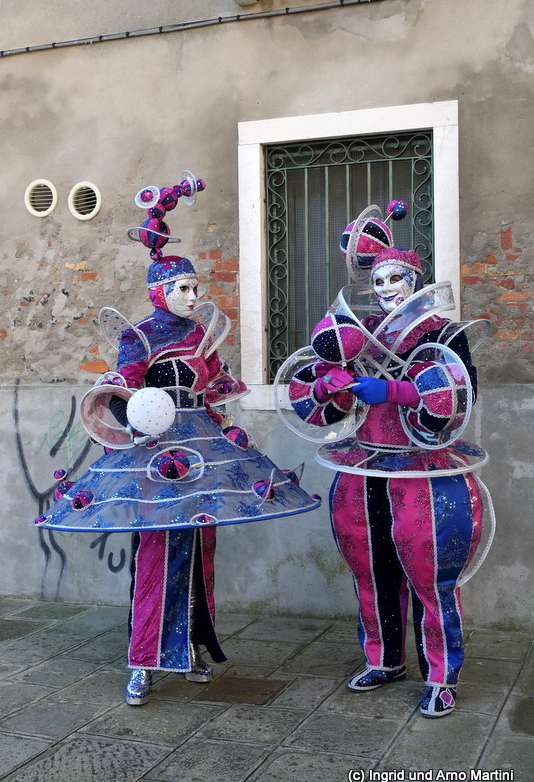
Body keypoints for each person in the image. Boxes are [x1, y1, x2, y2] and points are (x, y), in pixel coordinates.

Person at [35, 176, 320, 705]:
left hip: (203, 453)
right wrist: (136, 416)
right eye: (182, 288)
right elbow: (120, 390)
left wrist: (228, 435)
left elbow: (212, 392)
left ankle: (189, 648)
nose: (193, 296)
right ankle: (144, 661)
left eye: (195, 287)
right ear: (159, 291)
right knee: (158, 548)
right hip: (156, 455)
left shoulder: (201, 337)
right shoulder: (139, 336)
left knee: (200, 546)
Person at [285, 204, 493, 718]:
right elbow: (320, 399)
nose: (385, 287)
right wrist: (329, 387)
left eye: (395, 277)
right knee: (370, 570)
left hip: (425, 470)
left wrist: (397, 391)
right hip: (363, 467)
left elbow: (461, 397)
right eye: (378, 280)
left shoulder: (443, 332)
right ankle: (384, 660)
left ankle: (441, 675)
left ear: (414, 279)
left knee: (431, 575)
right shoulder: (359, 330)